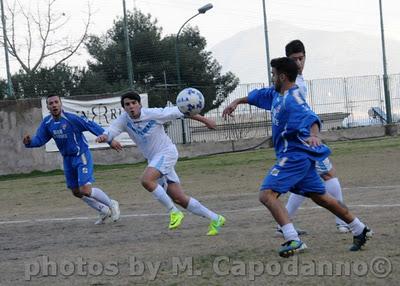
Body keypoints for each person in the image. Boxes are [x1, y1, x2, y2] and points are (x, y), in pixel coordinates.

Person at [222, 57, 372, 257]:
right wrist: (236, 102)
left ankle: (293, 239)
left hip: (294, 156)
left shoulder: (294, 98)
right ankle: (360, 228)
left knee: (266, 194)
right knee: (322, 198)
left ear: (282, 76)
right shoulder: (276, 94)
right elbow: (255, 97)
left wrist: (314, 135)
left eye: (274, 74)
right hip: (296, 157)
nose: (272, 78)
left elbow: (311, 117)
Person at [96, 91, 225, 236]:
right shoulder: (124, 120)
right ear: (124, 107)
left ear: (140, 104)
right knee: (179, 198)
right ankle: (216, 218)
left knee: (146, 180)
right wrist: (105, 137)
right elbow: (112, 131)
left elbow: (183, 111)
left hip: (166, 153)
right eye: (127, 104)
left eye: (134, 103)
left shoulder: (153, 114)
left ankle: (174, 212)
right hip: (155, 160)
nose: (131, 106)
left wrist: (206, 120)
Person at [283, 39, 350, 233]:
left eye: (301, 58)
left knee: (304, 181)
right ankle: (343, 221)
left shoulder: (297, 81)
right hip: (304, 139)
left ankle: (283, 224)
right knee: (328, 174)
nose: (298, 63)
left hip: (301, 137)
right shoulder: (292, 84)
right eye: (294, 59)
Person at [23, 95, 121, 225]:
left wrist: (110, 140)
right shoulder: (47, 123)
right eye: (51, 103)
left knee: (85, 189)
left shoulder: (72, 119)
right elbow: (40, 140)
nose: (54, 105)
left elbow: (91, 125)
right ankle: (102, 209)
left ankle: (111, 203)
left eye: (56, 102)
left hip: (81, 155)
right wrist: (29, 142)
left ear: (61, 104)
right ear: (47, 107)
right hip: (67, 159)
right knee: (76, 191)